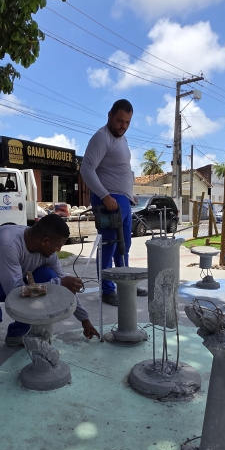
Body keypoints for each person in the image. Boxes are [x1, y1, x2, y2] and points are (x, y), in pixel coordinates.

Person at [0, 214, 99, 356]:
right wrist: (59, 283)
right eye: (58, 245)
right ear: (46, 241)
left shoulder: (48, 253)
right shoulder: (8, 245)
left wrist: (85, 321)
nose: (59, 250)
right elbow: (16, 293)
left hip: (6, 282)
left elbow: (66, 287)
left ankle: (18, 333)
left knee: (49, 276)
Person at [80, 98, 146, 306]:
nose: (123, 126)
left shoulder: (122, 140)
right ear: (110, 115)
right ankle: (107, 290)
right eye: (119, 121)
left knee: (123, 246)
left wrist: (129, 194)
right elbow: (86, 169)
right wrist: (105, 196)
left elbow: (120, 170)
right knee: (108, 246)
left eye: (127, 122)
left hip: (123, 201)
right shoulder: (102, 137)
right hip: (107, 201)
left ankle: (125, 285)